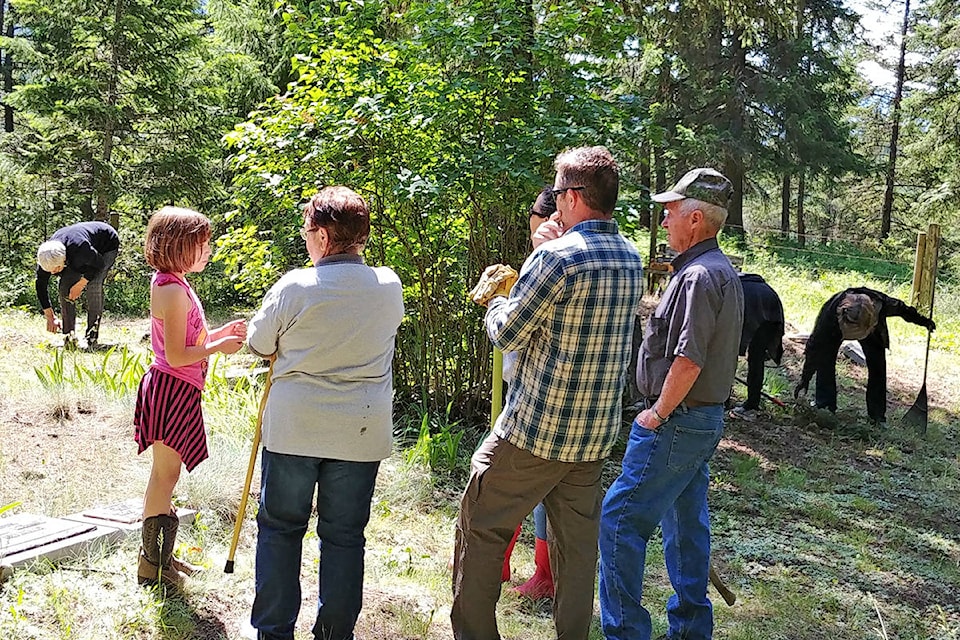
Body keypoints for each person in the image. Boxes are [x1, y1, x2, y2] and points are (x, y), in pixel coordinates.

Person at [452, 146, 645, 640]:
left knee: (480, 526)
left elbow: (508, 334)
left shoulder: (556, 259)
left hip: (533, 433)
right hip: (593, 438)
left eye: (559, 192)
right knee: (577, 554)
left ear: (576, 196)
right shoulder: (630, 256)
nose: (555, 202)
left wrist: (495, 296)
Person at [245, 186, 404, 640]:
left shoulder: (296, 285)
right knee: (345, 536)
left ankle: (274, 632)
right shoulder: (388, 285)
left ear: (320, 235)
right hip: (359, 430)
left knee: (280, 528)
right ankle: (335, 633)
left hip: (296, 428)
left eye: (306, 230)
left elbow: (258, 344)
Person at [599, 167, 744, 640]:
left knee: (620, 519)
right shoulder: (719, 271)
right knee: (685, 523)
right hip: (697, 421)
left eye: (670, 212)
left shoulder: (700, 276)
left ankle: (625, 632)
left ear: (696, 218)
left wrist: (656, 413)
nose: (663, 221)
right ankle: (690, 629)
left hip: (676, 420)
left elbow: (688, 359)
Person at [135, 207, 248, 589]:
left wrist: (218, 335)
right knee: (164, 475)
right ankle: (152, 564)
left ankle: (163, 556)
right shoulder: (169, 289)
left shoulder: (176, 283)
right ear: (178, 246)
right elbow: (180, 355)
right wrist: (217, 349)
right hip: (171, 389)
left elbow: (190, 340)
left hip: (179, 389)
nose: (208, 250)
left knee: (169, 474)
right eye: (202, 244)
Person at [499, 185, 557, 601]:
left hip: (541, 398)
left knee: (525, 487)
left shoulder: (553, 260)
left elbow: (511, 332)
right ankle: (499, 563)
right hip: (521, 387)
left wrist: (497, 307)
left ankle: (545, 574)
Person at [794, 287, 934, 426]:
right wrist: (804, 379)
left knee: (878, 367)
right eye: (850, 332)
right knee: (825, 362)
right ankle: (825, 407)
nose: (852, 337)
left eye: (857, 333)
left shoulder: (882, 305)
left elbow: (904, 310)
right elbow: (814, 349)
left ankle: (877, 417)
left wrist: (924, 321)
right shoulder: (829, 319)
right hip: (834, 329)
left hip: (872, 328)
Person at [35, 221, 120, 349]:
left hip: (106, 244)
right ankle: (69, 337)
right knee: (65, 287)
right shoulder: (47, 256)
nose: (52, 273)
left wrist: (81, 284)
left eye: (56, 269)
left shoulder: (80, 248)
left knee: (93, 285)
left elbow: (99, 264)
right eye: (50, 271)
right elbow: (41, 285)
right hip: (80, 252)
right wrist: (50, 316)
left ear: (64, 259)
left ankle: (91, 338)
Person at [729, 273, 785, 421]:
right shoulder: (763, 287)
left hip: (753, 315)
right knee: (756, 360)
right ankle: (752, 403)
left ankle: (724, 398)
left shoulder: (734, 287)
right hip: (770, 319)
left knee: (728, 354)